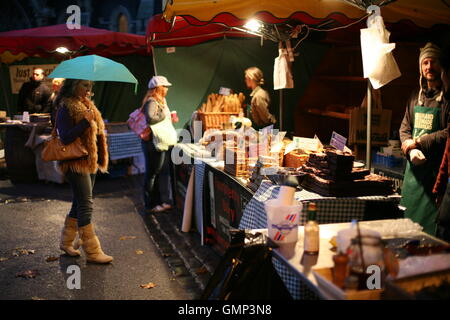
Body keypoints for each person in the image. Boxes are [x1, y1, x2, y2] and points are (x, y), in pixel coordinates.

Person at [55, 79, 112, 264]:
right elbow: (64, 137)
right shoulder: (66, 107)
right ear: (73, 86)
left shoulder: (87, 105)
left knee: (79, 202)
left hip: (90, 160)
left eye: (90, 86)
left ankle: (66, 243)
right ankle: (93, 251)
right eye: (84, 85)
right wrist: (85, 123)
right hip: (75, 162)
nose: (88, 89)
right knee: (86, 204)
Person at [399, 42, 450, 235]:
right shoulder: (414, 96)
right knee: (407, 231)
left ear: (441, 66)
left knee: (430, 234)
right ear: (420, 68)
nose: (429, 67)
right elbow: (404, 128)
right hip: (413, 177)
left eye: (433, 62)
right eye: (425, 63)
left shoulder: (447, 99)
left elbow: (448, 133)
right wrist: (410, 149)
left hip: (436, 175)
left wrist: (419, 142)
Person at [141, 75, 178, 213]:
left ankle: (157, 203)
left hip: (156, 141)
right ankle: (150, 205)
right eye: (165, 87)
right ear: (159, 88)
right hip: (152, 143)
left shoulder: (159, 101)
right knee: (151, 174)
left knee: (155, 173)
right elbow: (151, 118)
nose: (167, 89)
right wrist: (163, 114)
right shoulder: (152, 101)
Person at [432, 43, 450, 242]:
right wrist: (439, 188)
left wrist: (420, 141)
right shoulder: (414, 96)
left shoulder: (446, 103)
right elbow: (448, 152)